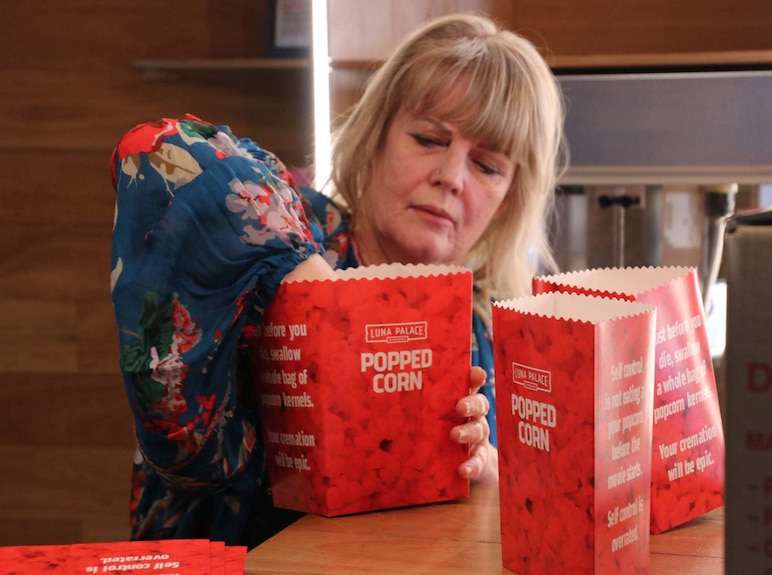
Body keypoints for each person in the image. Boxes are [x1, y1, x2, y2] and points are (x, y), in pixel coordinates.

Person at [109, 13, 565, 548]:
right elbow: (157, 153)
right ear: (376, 138)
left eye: (487, 166)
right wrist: (307, 282)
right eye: (427, 138)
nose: (452, 177)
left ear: (508, 198)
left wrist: (488, 474)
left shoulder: (487, 331)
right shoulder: (288, 228)